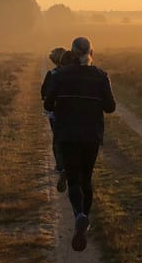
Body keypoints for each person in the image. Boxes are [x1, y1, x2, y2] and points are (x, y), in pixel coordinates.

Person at [43, 37, 116, 251]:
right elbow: (110, 107)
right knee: (87, 179)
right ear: (92, 52)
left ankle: (79, 215)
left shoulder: (59, 75)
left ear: (72, 54)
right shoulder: (101, 76)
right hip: (91, 134)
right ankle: (84, 219)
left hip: (67, 133)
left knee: (73, 179)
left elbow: (48, 102)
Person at [40, 47, 66, 178]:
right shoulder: (73, 74)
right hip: (73, 113)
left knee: (58, 139)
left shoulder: (52, 74)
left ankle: (60, 166)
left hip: (56, 114)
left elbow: (44, 93)